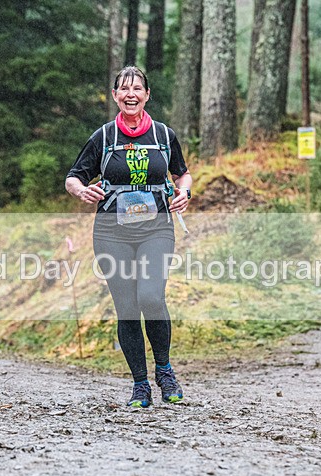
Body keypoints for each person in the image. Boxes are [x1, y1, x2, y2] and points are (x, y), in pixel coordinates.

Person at [65, 66, 193, 407]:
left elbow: (183, 174)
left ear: (147, 95)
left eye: (137, 88)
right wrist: (81, 191)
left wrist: (185, 193)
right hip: (111, 233)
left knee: (151, 297)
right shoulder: (104, 137)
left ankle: (164, 371)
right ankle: (140, 385)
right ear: (115, 96)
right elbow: (73, 177)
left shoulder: (164, 135)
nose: (131, 94)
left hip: (157, 229)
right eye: (124, 89)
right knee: (127, 307)